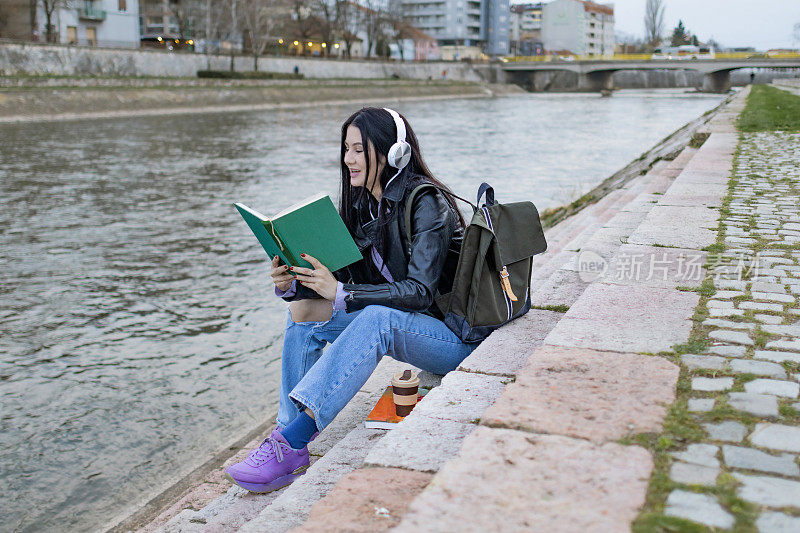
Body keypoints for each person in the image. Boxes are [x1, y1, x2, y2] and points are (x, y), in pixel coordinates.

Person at [224, 107, 479, 493]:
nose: (348, 159)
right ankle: (287, 434)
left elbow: (420, 291)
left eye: (359, 149)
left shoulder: (427, 203)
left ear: (393, 152)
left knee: (377, 317)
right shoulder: (361, 208)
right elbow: (340, 282)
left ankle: (291, 442)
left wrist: (344, 294)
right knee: (302, 313)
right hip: (409, 327)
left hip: (455, 337)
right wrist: (292, 283)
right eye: (346, 149)